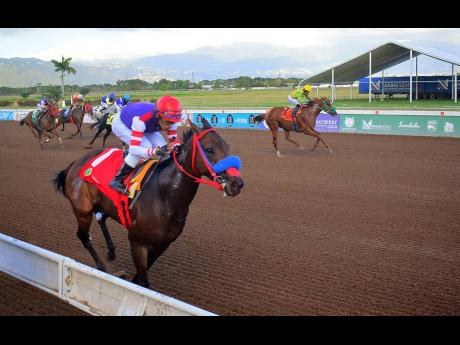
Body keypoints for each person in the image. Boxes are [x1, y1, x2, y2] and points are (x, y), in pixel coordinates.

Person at [109, 95, 183, 194]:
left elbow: (172, 142)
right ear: (158, 115)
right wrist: (154, 151)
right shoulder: (141, 119)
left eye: (172, 123)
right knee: (146, 146)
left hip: (147, 125)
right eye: (167, 122)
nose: (169, 126)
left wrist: (175, 146)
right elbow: (134, 149)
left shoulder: (170, 119)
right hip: (123, 124)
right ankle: (117, 180)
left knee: (163, 146)